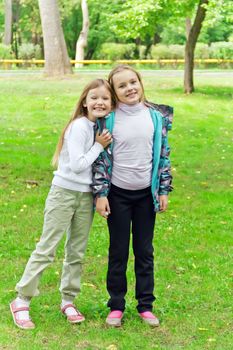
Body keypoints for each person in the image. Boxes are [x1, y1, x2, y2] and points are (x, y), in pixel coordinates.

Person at [10, 79, 113, 329]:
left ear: (112, 104)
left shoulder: (99, 127)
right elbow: (78, 164)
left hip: (85, 197)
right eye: (94, 97)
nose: (99, 102)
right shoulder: (79, 127)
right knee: (48, 247)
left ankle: (68, 300)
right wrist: (99, 147)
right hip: (64, 193)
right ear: (85, 102)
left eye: (105, 98)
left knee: (76, 251)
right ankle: (22, 299)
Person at [92, 65, 173, 327]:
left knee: (144, 250)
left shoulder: (156, 118)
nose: (130, 88)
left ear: (140, 82)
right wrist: (101, 194)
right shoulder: (109, 119)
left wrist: (162, 189)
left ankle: (145, 305)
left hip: (144, 196)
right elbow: (102, 159)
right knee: (118, 251)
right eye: (122, 86)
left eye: (133, 82)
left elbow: (163, 156)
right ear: (114, 92)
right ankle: (116, 305)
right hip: (118, 195)